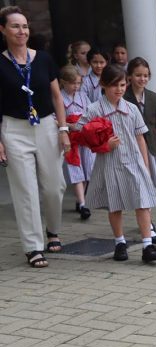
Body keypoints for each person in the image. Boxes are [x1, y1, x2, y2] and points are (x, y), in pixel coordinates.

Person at [0, 6, 70, 268]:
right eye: (16, 26)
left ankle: (53, 229)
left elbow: (56, 96)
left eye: (25, 26)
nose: (22, 31)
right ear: (3, 30)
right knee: (25, 191)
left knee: (55, 187)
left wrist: (63, 130)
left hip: (46, 127)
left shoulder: (43, 59)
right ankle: (32, 246)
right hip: (14, 129)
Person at [79, 65, 156, 264]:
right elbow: (82, 133)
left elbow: (140, 137)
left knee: (142, 201)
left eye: (122, 84)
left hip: (133, 160)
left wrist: (145, 164)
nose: (119, 89)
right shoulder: (94, 109)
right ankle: (119, 242)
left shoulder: (131, 108)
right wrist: (103, 145)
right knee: (114, 204)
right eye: (113, 85)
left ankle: (147, 244)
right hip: (109, 163)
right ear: (103, 85)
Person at [124, 57, 156, 192]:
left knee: (150, 177)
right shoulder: (123, 97)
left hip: (150, 144)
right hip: (131, 144)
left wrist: (152, 137)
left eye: (145, 75)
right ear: (129, 76)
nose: (142, 79)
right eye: (138, 75)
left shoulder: (154, 97)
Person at [58, 65, 94, 220]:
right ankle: (83, 204)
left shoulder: (82, 96)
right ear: (63, 82)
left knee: (87, 169)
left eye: (78, 83)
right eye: (73, 83)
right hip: (70, 138)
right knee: (75, 169)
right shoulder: (58, 97)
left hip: (84, 137)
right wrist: (67, 125)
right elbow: (54, 118)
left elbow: (90, 112)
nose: (76, 86)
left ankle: (81, 201)